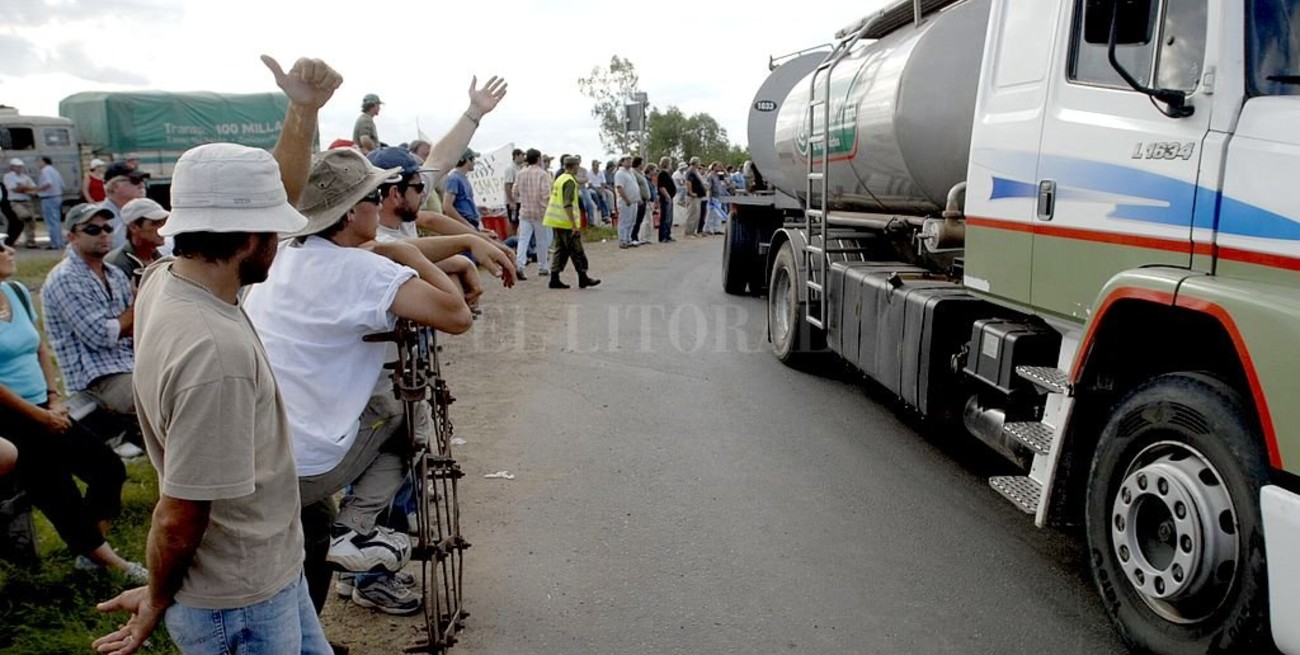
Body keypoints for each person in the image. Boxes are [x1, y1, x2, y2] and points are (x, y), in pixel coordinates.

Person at [91, 55, 340, 655]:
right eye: (274, 234)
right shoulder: (215, 350)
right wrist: (156, 596)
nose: (282, 241)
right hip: (238, 603)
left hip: (268, 572)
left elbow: (270, 196)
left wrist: (301, 110)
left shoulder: (170, 278)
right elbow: (179, 515)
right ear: (252, 241)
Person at [242, 147, 480, 612]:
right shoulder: (363, 271)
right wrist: (405, 250)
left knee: (312, 527)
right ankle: (355, 525)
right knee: (408, 414)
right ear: (352, 210)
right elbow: (456, 314)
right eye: (376, 195)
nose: (383, 201)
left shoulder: (284, 255)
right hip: (307, 465)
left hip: (258, 449)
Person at [0, 241, 143, 582]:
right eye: (1, 247)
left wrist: (52, 398)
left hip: (45, 405)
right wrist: (39, 416)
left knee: (107, 467)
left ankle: (89, 550)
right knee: (55, 486)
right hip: (9, 416)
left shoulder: (17, 292)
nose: (9, 251)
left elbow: (40, 349)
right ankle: (111, 562)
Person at [40, 203, 137, 424]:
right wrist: (137, 307)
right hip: (97, 381)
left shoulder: (115, 274)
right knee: (162, 392)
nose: (103, 234)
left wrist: (125, 322)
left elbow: (133, 329)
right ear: (72, 237)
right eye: (93, 229)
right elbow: (102, 336)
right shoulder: (65, 278)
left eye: (108, 228)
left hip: (129, 366)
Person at [543, 156, 601, 289]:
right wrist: (574, 224)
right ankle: (583, 277)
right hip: (566, 222)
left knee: (561, 250)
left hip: (557, 220)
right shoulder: (569, 181)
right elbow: (567, 203)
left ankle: (554, 278)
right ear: (574, 166)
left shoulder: (560, 178)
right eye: (577, 166)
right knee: (577, 251)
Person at [106, 198, 170, 283]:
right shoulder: (117, 264)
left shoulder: (161, 258)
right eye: (155, 223)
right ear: (133, 227)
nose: (163, 228)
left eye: (164, 222)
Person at [513, 148, 553, 280]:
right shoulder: (542, 174)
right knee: (541, 240)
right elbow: (545, 194)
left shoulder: (520, 173)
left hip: (525, 211)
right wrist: (545, 208)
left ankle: (519, 265)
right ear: (538, 159)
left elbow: (515, 191)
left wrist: (520, 201)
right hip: (539, 212)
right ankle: (543, 267)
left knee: (523, 240)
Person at [100, 162, 151, 249]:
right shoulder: (98, 218)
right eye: (135, 180)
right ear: (115, 187)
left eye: (143, 181)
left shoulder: (148, 212)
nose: (142, 185)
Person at [442, 147, 482, 230]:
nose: (475, 162)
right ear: (467, 160)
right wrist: (466, 225)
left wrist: (477, 209)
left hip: (471, 222)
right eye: (473, 159)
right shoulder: (454, 179)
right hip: (466, 223)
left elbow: (462, 202)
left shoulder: (462, 178)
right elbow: (447, 206)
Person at [4, 159, 37, 248]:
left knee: (31, 221)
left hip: (27, 201)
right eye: (17, 167)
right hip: (15, 201)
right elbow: (14, 189)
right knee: (25, 216)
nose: (19, 169)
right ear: (12, 167)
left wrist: (23, 188)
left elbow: (33, 188)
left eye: (20, 167)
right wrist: (26, 189)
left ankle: (31, 241)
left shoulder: (25, 177)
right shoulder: (8, 177)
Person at [36, 157, 66, 250]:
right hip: (57, 196)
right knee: (56, 220)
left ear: (43, 162)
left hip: (48, 197)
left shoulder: (45, 171)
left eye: (39, 161)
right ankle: (60, 242)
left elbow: (48, 183)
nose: (38, 164)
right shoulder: (55, 171)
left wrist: (38, 190)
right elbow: (62, 185)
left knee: (50, 221)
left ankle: (55, 243)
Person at [613, 155, 642, 248]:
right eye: (627, 160)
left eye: (630, 160)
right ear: (622, 162)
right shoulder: (620, 173)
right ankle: (622, 240)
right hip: (625, 201)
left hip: (634, 200)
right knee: (624, 221)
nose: (629, 161)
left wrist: (638, 198)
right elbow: (619, 187)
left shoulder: (630, 172)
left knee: (632, 221)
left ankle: (628, 239)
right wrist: (626, 199)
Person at [684, 157, 708, 238]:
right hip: (693, 196)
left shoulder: (695, 171)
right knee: (692, 214)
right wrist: (691, 192)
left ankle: (693, 231)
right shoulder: (690, 171)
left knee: (696, 215)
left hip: (699, 196)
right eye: (698, 162)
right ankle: (688, 232)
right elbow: (688, 182)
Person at [503, 148, 523, 233]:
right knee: (513, 223)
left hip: (519, 200)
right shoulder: (510, 168)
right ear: (516, 156)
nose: (523, 157)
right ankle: (511, 242)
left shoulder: (519, 168)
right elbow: (508, 185)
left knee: (517, 222)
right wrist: (511, 201)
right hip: (513, 201)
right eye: (522, 155)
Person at [657, 157, 677, 243]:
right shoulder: (662, 174)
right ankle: (663, 236)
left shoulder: (667, 174)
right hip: (666, 198)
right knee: (665, 217)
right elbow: (661, 187)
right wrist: (667, 196)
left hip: (670, 197)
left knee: (669, 218)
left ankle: (668, 234)